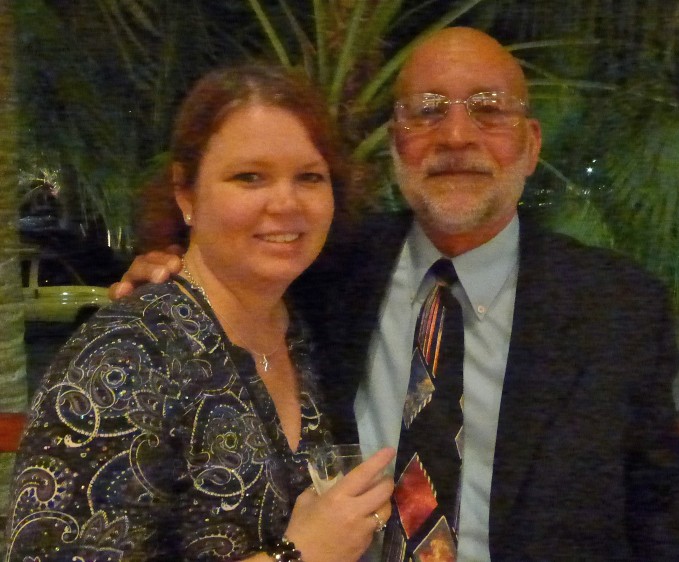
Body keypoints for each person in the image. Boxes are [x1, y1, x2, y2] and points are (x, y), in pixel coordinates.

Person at [109, 28, 679, 561]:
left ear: (531, 144)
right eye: (428, 110)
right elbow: (228, 285)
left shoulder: (614, 306)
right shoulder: (322, 273)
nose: (456, 136)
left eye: (489, 108)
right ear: (395, 143)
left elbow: (660, 495)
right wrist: (171, 274)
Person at [5, 63, 395, 562]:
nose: (286, 202)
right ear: (185, 192)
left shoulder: (308, 326)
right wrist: (296, 556)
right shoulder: (126, 356)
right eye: (249, 177)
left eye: (310, 177)